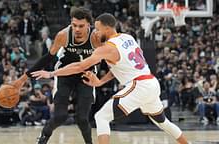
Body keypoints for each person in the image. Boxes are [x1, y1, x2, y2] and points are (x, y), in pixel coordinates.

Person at [31, 13, 189, 144]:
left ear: (106, 28)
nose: (96, 33)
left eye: (98, 29)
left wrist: (51, 74)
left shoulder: (107, 48)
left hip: (138, 85)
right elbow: (117, 68)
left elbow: (79, 66)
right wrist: (100, 82)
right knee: (163, 122)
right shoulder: (128, 38)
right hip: (151, 83)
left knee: (101, 117)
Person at [9, 7, 101, 144]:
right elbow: (47, 57)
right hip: (64, 74)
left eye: (81, 26)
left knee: (82, 118)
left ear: (89, 24)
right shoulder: (63, 35)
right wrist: (23, 78)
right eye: (74, 25)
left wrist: (98, 73)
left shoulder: (96, 38)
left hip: (86, 76)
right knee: (60, 116)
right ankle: (43, 138)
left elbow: (105, 59)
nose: (77, 29)